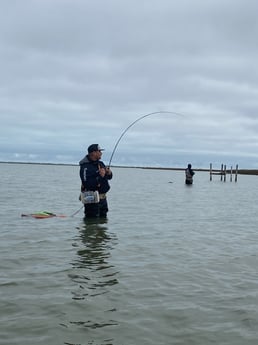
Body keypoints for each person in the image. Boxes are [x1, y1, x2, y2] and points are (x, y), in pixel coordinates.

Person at [79, 144, 113, 218]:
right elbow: (88, 184)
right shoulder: (85, 167)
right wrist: (100, 175)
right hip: (92, 201)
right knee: (92, 225)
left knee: (103, 224)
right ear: (93, 153)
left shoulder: (100, 164)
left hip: (103, 200)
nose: (101, 153)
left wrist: (109, 173)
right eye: (99, 151)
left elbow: (109, 177)